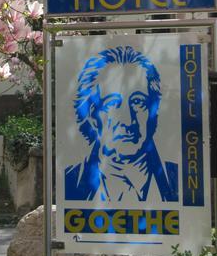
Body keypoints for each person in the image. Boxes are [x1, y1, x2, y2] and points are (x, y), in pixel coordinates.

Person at [64, 44, 178, 203]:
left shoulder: (179, 181)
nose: (127, 121)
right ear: (92, 117)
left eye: (138, 102)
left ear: (155, 112)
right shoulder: (70, 181)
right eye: (111, 104)